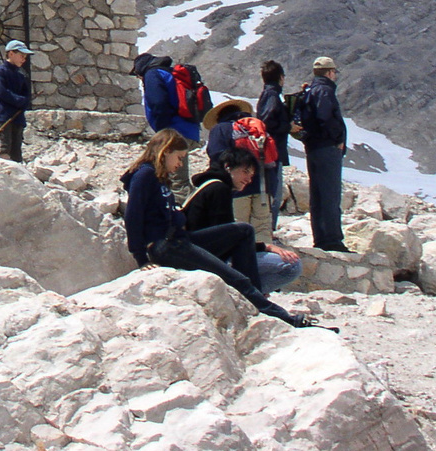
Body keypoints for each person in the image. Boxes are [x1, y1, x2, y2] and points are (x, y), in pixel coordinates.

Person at [122, 129, 313, 328]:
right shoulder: (145, 175)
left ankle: (260, 300)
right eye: (178, 158)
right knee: (238, 279)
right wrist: (141, 258)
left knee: (243, 232)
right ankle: (283, 318)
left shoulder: (159, 178)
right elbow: (133, 215)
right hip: (168, 246)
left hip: (179, 241)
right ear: (165, 151)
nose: (179, 164)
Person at [183, 147, 303, 293]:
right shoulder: (219, 190)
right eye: (245, 172)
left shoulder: (208, 187)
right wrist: (266, 247)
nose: (248, 179)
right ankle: (251, 295)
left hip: (197, 253)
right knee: (291, 266)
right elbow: (227, 239)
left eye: (252, 175)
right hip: (209, 259)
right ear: (228, 167)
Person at [297, 56, 349, 252]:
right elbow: (325, 116)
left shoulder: (309, 90)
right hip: (327, 147)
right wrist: (338, 139)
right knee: (330, 193)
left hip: (313, 147)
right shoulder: (325, 91)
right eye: (334, 72)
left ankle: (320, 237)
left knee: (317, 193)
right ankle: (333, 239)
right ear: (329, 72)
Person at [133, 52, 200, 201]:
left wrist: (163, 132)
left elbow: (158, 103)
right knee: (173, 177)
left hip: (174, 133)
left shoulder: (152, 74)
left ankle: (182, 215)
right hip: (190, 130)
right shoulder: (171, 73)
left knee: (176, 181)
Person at [257, 60, 292, 228]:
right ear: (280, 77)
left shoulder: (267, 94)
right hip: (273, 150)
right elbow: (267, 121)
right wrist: (288, 126)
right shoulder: (272, 95)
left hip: (270, 150)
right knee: (274, 192)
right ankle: (269, 230)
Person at [0, 40, 33, 163]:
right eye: (21, 56)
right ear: (11, 54)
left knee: (16, 149)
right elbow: (0, 91)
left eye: (25, 57)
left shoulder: (21, 75)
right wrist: (19, 101)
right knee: (5, 146)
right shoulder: (1, 71)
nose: (24, 59)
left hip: (18, 117)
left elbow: (26, 94)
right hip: (4, 115)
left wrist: (25, 102)